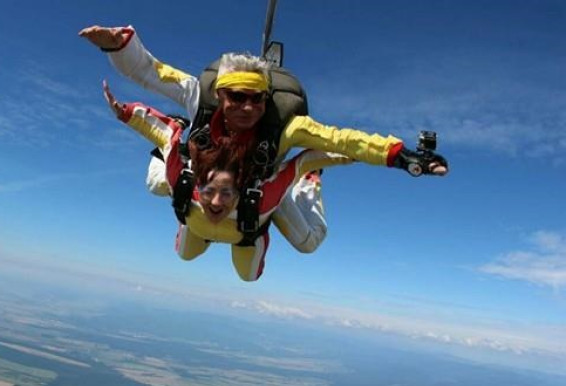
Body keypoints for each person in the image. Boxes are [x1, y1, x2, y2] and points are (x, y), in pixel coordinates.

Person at [79, 25, 448, 273]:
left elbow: (343, 140)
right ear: (220, 95)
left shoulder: (285, 126)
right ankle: (174, 160)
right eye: (237, 98)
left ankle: (307, 186)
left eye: (256, 100)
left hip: (262, 190)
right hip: (204, 186)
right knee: (182, 239)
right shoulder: (199, 97)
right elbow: (153, 72)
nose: (248, 108)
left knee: (299, 248)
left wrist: (399, 156)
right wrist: (120, 45)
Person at [102, 80, 353, 281]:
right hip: (208, 193)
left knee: (299, 247)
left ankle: (305, 185)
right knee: (172, 220)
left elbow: (302, 163)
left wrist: (355, 153)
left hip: (255, 204)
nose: (216, 200)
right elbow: (165, 134)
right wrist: (125, 112)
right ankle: (198, 199)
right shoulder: (188, 184)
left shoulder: (263, 196)